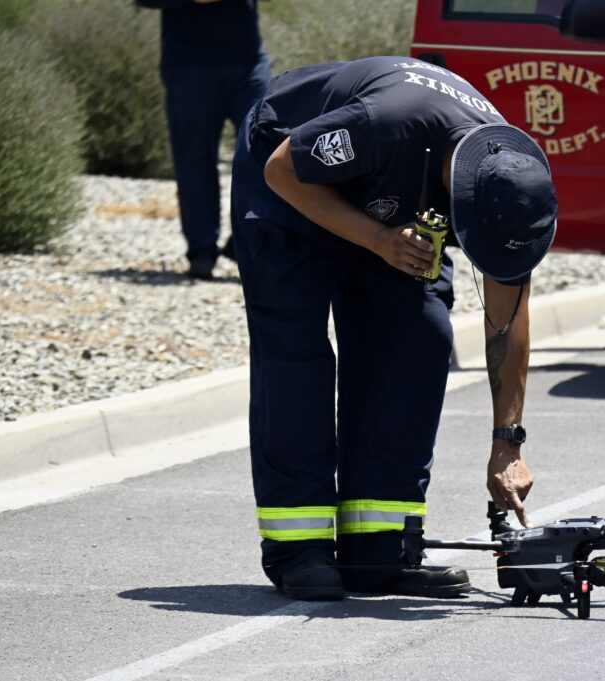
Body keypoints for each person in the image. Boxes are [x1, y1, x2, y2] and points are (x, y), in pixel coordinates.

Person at [230, 56, 557, 600]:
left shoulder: (513, 185)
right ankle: (299, 550)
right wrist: (379, 239)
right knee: (297, 362)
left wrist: (508, 443)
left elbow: (506, 320)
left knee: (416, 341)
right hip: (290, 183)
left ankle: (379, 552)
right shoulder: (387, 123)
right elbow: (282, 169)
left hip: (392, 205)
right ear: (460, 195)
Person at [136, 0, 271, 279]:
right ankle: (202, 250)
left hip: (249, 63)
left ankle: (247, 238)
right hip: (189, 66)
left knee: (265, 151)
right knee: (194, 159)